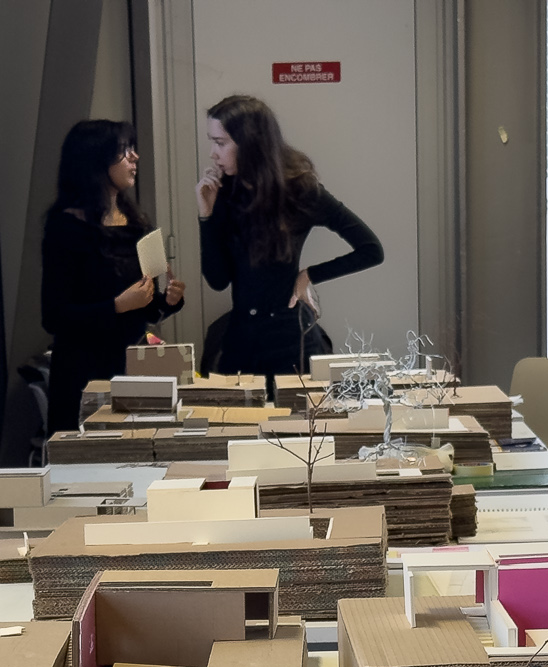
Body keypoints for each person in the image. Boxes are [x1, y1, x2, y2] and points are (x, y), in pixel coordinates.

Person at [196, 94, 383, 386]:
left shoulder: (301, 190)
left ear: (249, 143)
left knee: (295, 415)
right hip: (240, 339)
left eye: (220, 143)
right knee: (235, 415)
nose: (212, 153)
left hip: (290, 340)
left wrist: (309, 275)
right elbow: (218, 280)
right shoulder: (225, 192)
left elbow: (371, 250)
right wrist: (206, 216)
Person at [41, 119, 184, 432]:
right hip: (82, 373)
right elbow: (54, 317)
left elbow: (149, 310)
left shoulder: (137, 223)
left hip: (132, 367)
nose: (135, 157)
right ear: (96, 160)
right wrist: (118, 306)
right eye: (123, 150)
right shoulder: (65, 228)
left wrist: (169, 300)